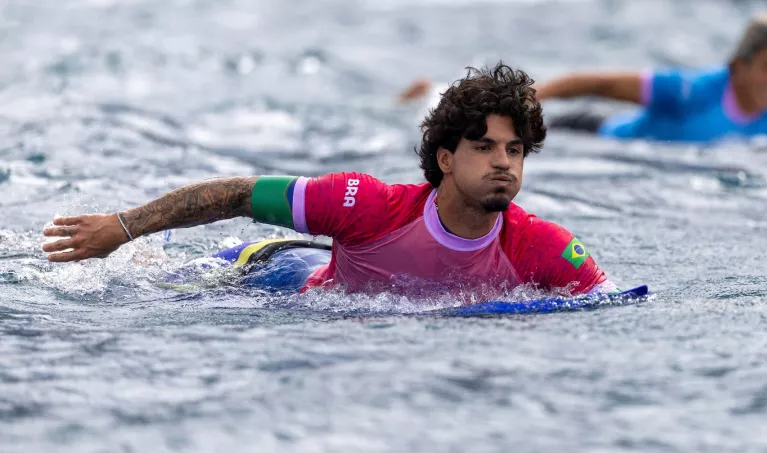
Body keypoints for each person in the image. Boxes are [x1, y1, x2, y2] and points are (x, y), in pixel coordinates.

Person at [43, 63, 620, 300]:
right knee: (163, 282)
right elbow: (240, 195)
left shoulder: (543, 247)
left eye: (516, 150)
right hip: (270, 273)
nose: (504, 164)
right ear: (445, 158)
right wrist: (122, 228)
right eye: (485, 147)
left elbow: (610, 308)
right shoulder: (367, 204)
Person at [399, 13, 767, 143]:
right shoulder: (691, 91)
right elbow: (593, 82)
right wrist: (520, 98)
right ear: (738, 64)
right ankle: (434, 92)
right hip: (590, 136)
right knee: (489, 124)